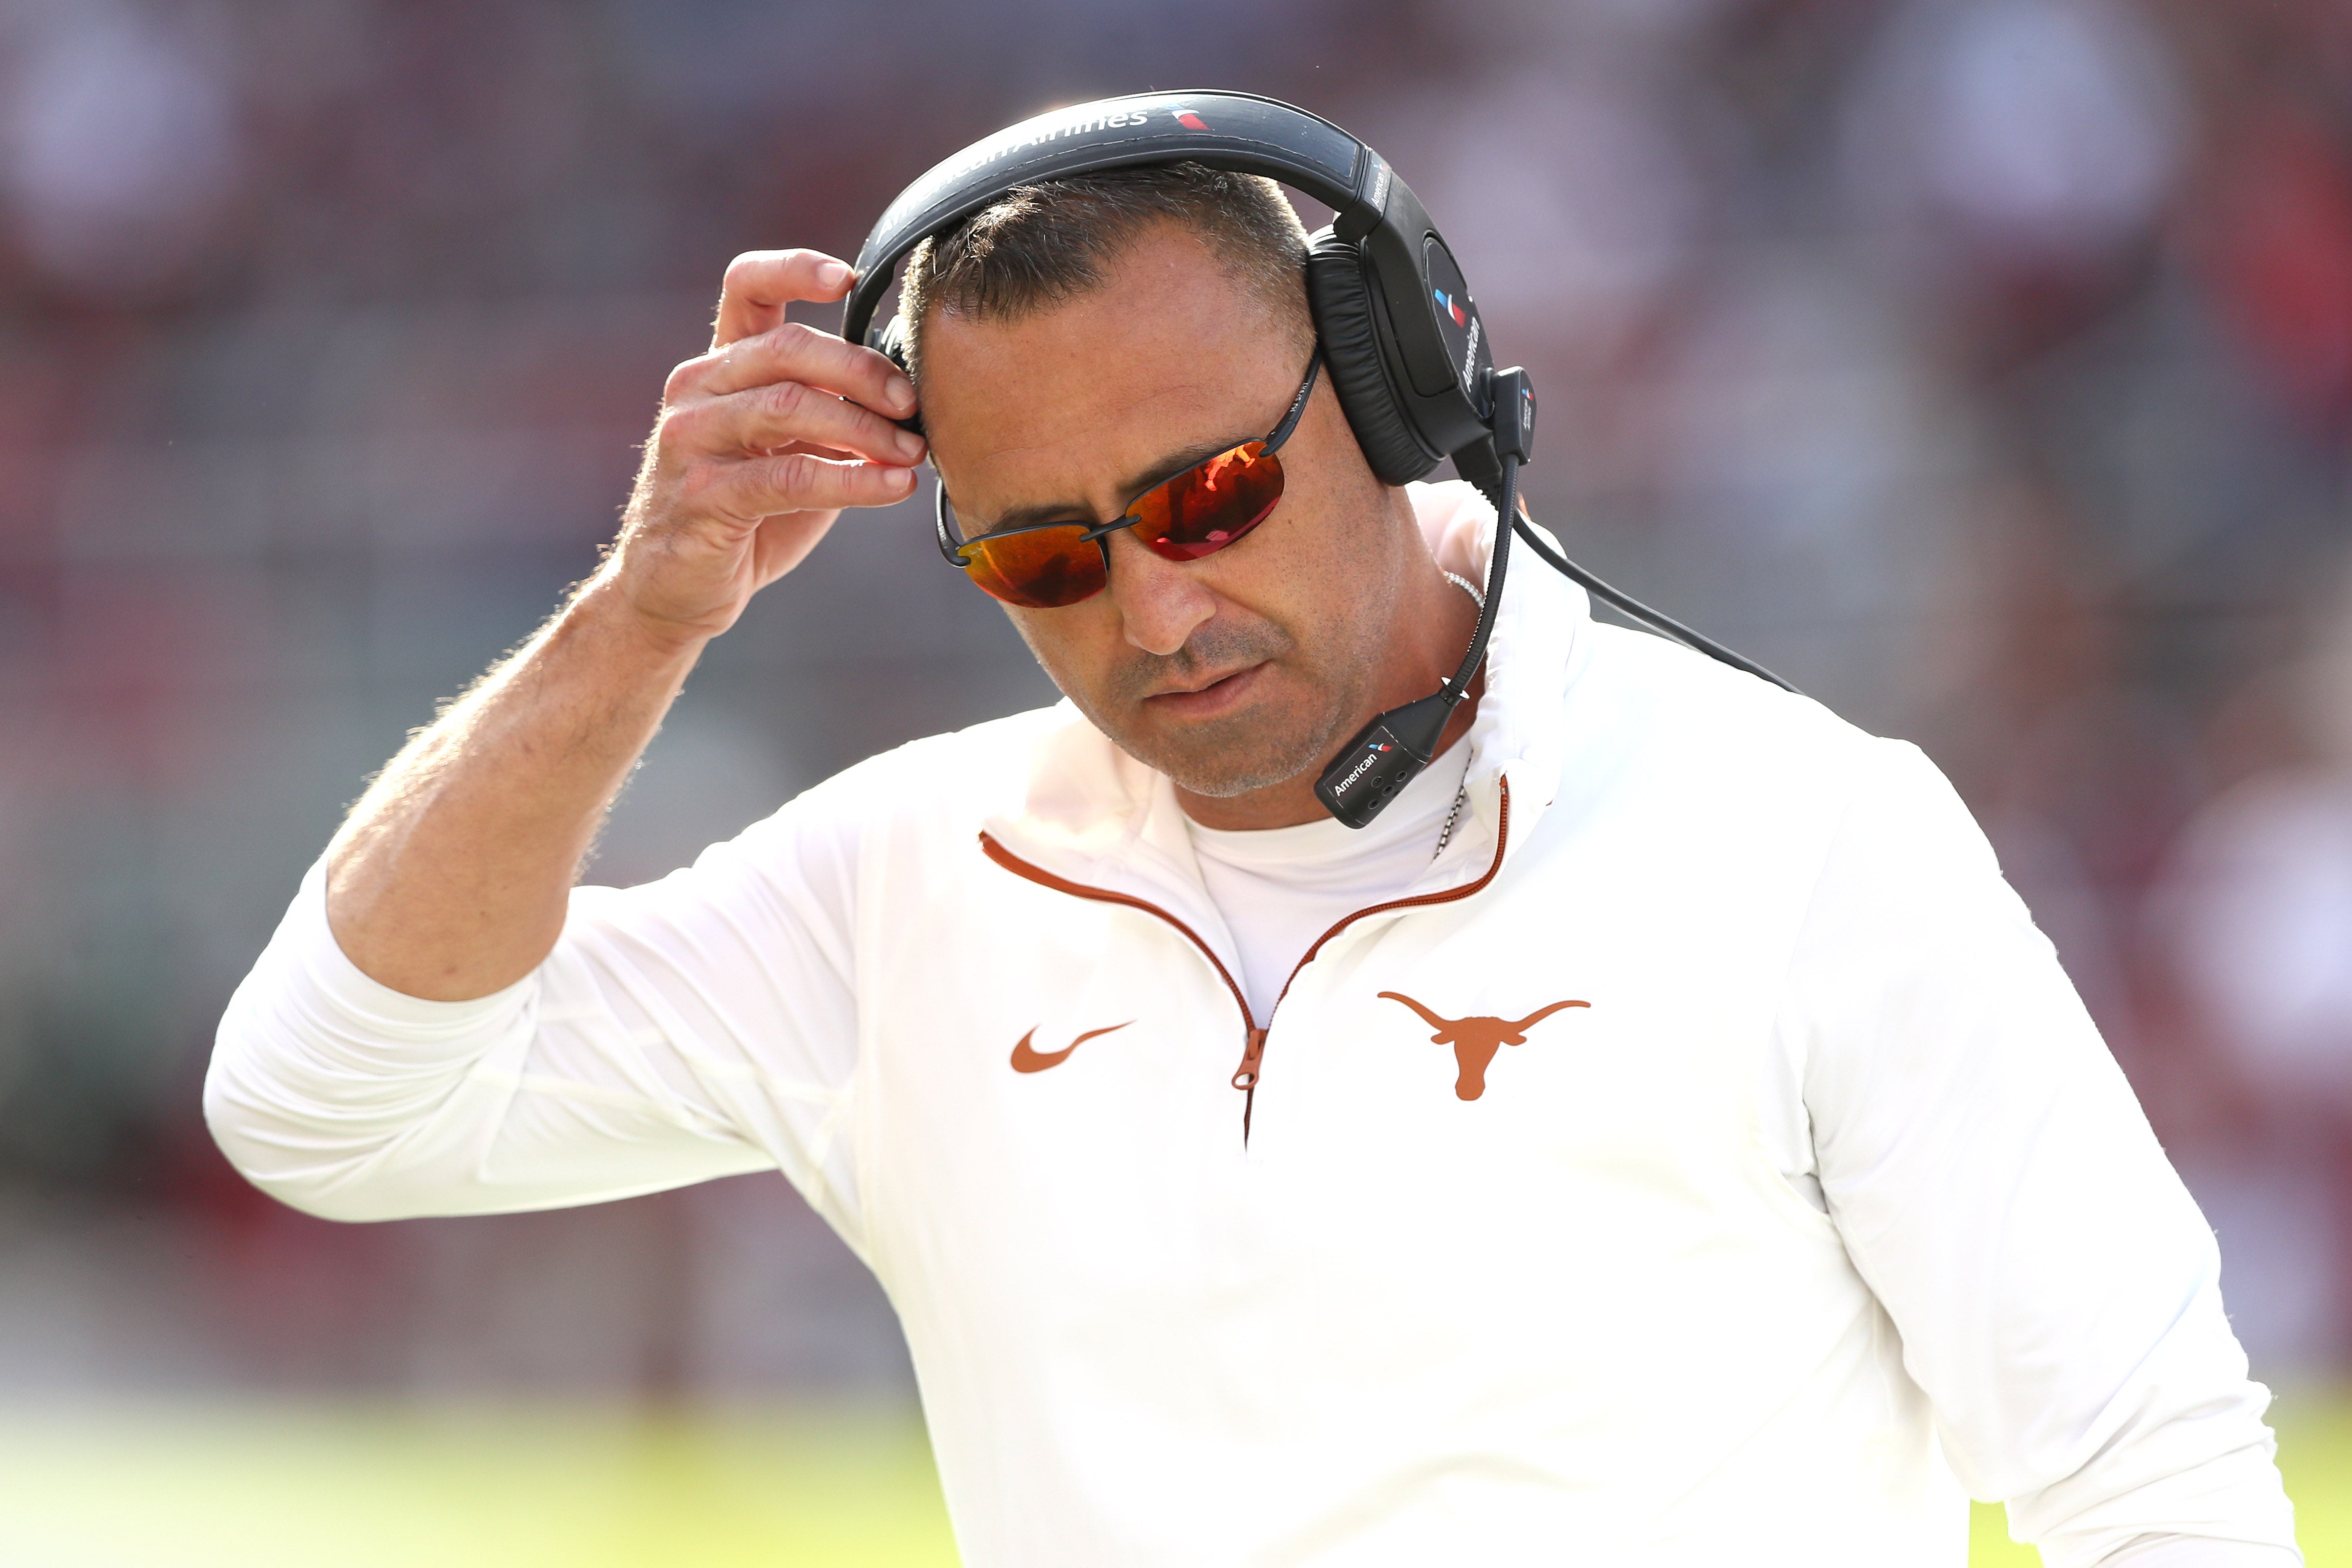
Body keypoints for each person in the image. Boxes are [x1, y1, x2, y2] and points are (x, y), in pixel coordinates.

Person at [207, 153, 2300, 1564]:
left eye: (1210, 490)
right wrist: (644, 610)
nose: (1154, 612)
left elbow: (2154, 1480)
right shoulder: (904, 878)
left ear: (1401, 397)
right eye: (1045, 549)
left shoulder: (1802, 831)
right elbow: (326, 1098)